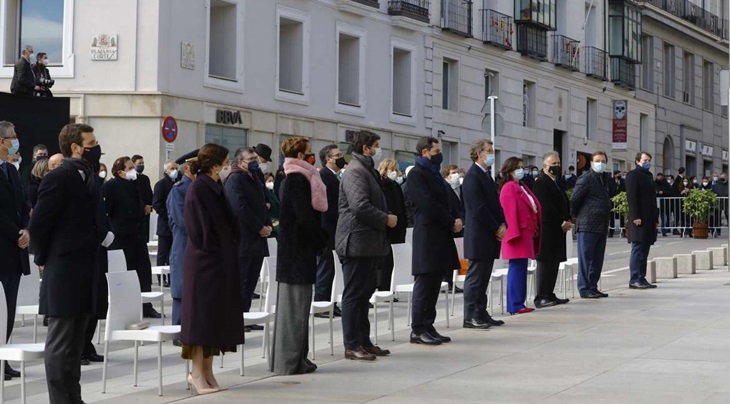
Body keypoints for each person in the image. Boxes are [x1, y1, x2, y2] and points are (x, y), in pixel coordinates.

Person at [30, 123, 106, 403]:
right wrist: (47, 258)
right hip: (64, 270)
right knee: (61, 343)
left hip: (87, 270)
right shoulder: (58, 177)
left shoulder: (90, 176)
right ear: (75, 147)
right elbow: (39, 224)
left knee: (76, 344)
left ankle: (74, 398)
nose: (96, 147)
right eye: (91, 142)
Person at [180, 144, 242, 394]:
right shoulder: (199, 188)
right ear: (215, 164)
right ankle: (196, 373)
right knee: (201, 320)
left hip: (219, 261)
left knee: (215, 319)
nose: (229, 165)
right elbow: (199, 229)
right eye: (226, 161)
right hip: (205, 263)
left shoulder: (214, 185)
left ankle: (207, 371)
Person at [335, 131, 393, 360]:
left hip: (368, 242)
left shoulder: (366, 170)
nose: (379, 150)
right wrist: (385, 218)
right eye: (376, 146)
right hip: (356, 242)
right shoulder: (355, 171)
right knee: (354, 295)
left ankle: (364, 341)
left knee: (364, 294)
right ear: (366, 148)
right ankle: (352, 345)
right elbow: (359, 206)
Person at [273, 137, 329, 373]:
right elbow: (304, 218)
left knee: (300, 310)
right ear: (299, 154)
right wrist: (322, 238)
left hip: (300, 252)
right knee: (293, 312)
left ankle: (299, 358)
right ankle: (288, 361)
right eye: (309, 152)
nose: (312, 156)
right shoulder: (296, 178)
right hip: (295, 254)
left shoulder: (302, 177)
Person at [406, 136, 461, 345]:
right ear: (425, 152)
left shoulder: (434, 173)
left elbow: (449, 197)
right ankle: (418, 328)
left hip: (440, 234)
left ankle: (428, 324)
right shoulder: (417, 175)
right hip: (428, 234)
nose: (440, 154)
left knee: (435, 282)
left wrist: (457, 218)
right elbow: (427, 203)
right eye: (436, 150)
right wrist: (449, 220)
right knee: (425, 282)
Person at [103, 157, 161, 318]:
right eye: (130, 168)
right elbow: (106, 212)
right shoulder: (110, 186)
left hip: (138, 236)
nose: (133, 170)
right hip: (121, 238)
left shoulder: (136, 183)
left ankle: (145, 306)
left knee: (143, 272)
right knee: (124, 275)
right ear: (120, 171)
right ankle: (123, 309)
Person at [225, 147, 271, 330]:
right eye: (250, 158)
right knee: (241, 280)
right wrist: (259, 227)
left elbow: (263, 203)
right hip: (243, 238)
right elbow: (240, 208)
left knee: (251, 281)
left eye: (255, 158)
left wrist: (267, 225)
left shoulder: (254, 176)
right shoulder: (235, 179)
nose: (254, 161)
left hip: (257, 238)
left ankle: (245, 316)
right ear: (239, 162)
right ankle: (236, 319)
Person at [461, 140, 505, 330]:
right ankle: (470, 315)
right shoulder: (472, 176)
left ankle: (481, 311)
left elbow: (495, 204)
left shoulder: (485, 175)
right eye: (488, 151)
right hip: (480, 234)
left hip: (490, 234)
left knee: (484, 276)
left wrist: (503, 224)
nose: (491, 154)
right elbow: (478, 208)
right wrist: (496, 227)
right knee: (475, 277)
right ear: (478, 153)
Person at [0, 121, 30, 380]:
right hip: (3, 246)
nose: (15, 141)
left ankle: (3, 359)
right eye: (13, 137)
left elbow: (24, 203)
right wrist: (15, 233)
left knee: (8, 309)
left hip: (14, 252)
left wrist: (26, 230)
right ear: (2, 141)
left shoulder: (11, 170)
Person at [499, 157, 542, 315]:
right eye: (518, 167)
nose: (521, 170)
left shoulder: (520, 186)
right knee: (517, 268)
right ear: (510, 170)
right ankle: (515, 304)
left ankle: (519, 302)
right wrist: (513, 233)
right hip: (517, 234)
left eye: (522, 167)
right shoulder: (509, 187)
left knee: (521, 268)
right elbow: (509, 212)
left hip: (525, 233)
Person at [532, 151, 572, 308]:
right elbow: (545, 207)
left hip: (558, 230)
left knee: (554, 262)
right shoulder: (541, 182)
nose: (556, 166)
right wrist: (561, 222)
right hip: (548, 229)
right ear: (545, 166)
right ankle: (541, 295)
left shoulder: (556, 181)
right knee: (545, 263)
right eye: (553, 164)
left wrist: (567, 218)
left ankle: (549, 293)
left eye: (558, 163)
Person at [571, 151, 612, 299]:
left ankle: (593, 286)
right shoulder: (586, 179)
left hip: (601, 224)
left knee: (597, 258)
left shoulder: (604, 178)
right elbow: (574, 199)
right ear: (591, 162)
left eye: (603, 160)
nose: (600, 163)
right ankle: (584, 287)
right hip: (588, 223)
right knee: (586, 258)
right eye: (597, 160)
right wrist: (575, 216)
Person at [167, 150, 198, 345]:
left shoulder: (202, 188)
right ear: (187, 168)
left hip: (201, 247)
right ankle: (180, 330)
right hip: (185, 245)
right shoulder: (178, 190)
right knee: (182, 289)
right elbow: (183, 221)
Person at [314, 144, 345, 318]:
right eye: (337, 155)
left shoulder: (334, 176)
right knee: (325, 268)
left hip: (335, 229)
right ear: (328, 159)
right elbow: (326, 206)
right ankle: (321, 303)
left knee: (332, 269)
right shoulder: (324, 176)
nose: (341, 157)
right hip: (327, 229)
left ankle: (330, 302)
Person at [626, 151, 659, 290]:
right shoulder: (633, 175)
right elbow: (632, 197)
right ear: (637, 161)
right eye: (645, 160)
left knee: (645, 248)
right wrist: (635, 216)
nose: (647, 162)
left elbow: (652, 198)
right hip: (639, 217)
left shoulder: (649, 176)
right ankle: (634, 278)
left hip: (649, 217)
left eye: (649, 160)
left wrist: (656, 219)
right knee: (638, 247)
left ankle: (641, 277)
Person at [377, 158, 407, 292]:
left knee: (394, 259)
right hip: (387, 227)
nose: (395, 172)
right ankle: (384, 285)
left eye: (396, 170)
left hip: (398, 227)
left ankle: (390, 285)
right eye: (392, 170)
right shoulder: (382, 185)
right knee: (386, 259)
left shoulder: (395, 185)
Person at [152, 160, 178, 287]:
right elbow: (157, 204)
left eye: (175, 168)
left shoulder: (177, 183)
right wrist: (169, 216)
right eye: (172, 168)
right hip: (165, 225)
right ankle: (161, 278)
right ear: (166, 170)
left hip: (175, 226)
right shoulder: (161, 184)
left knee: (173, 254)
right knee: (163, 253)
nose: (174, 170)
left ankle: (172, 277)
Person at [131, 155, 154, 242]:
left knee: (145, 237)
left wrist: (151, 206)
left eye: (143, 163)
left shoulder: (145, 178)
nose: (141, 165)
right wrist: (143, 206)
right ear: (134, 165)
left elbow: (149, 193)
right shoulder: (132, 179)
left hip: (146, 213)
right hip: (137, 212)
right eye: (139, 163)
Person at [608, 170, 626, 237]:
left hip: (621, 201)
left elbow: (625, 189)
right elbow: (609, 190)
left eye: (620, 174)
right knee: (612, 217)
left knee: (621, 216)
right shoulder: (610, 182)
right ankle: (611, 232)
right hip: (613, 201)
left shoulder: (623, 181)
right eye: (618, 174)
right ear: (615, 175)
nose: (619, 175)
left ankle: (623, 230)